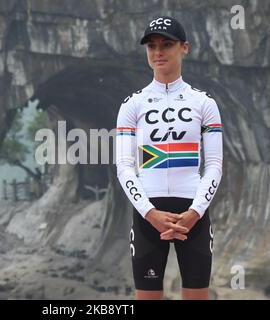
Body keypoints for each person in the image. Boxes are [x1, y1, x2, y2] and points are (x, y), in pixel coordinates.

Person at [115, 16, 223, 300]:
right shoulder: (132, 105)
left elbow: (214, 166)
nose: (158, 52)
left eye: (167, 44)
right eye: (151, 46)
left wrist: (195, 212)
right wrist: (150, 213)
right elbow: (124, 168)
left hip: (194, 213)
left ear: (184, 48)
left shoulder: (204, 103)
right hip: (147, 213)